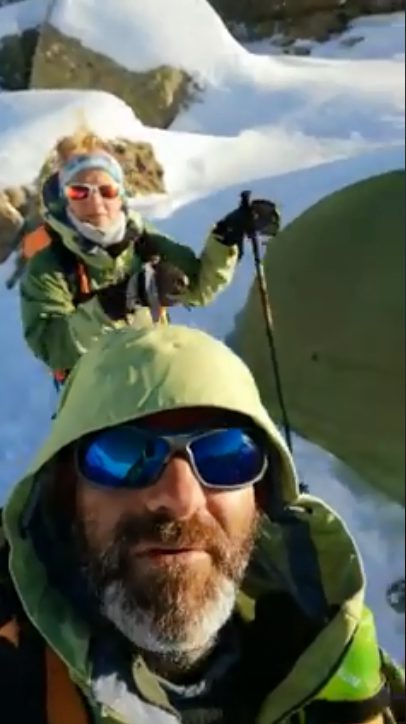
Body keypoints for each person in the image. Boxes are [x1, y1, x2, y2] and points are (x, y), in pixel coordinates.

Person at [0, 325, 404, 724]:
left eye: (226, 456)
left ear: (261, 497)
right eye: (122, 455)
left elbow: (201, 279)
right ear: (65, 495)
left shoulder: (336, 671)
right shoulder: (22, 680)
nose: (179, 498)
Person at [19, 131, 280, 383]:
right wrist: (120, 300)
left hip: (154, 376)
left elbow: (197, 288)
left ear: (120, 194)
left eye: (106, 190)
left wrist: (226, 238)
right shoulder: (50, 265)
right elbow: (52, 348)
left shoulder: (141, 240)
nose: (96, 202)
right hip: (89, 396)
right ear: (65, 199)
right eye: (79, 191)